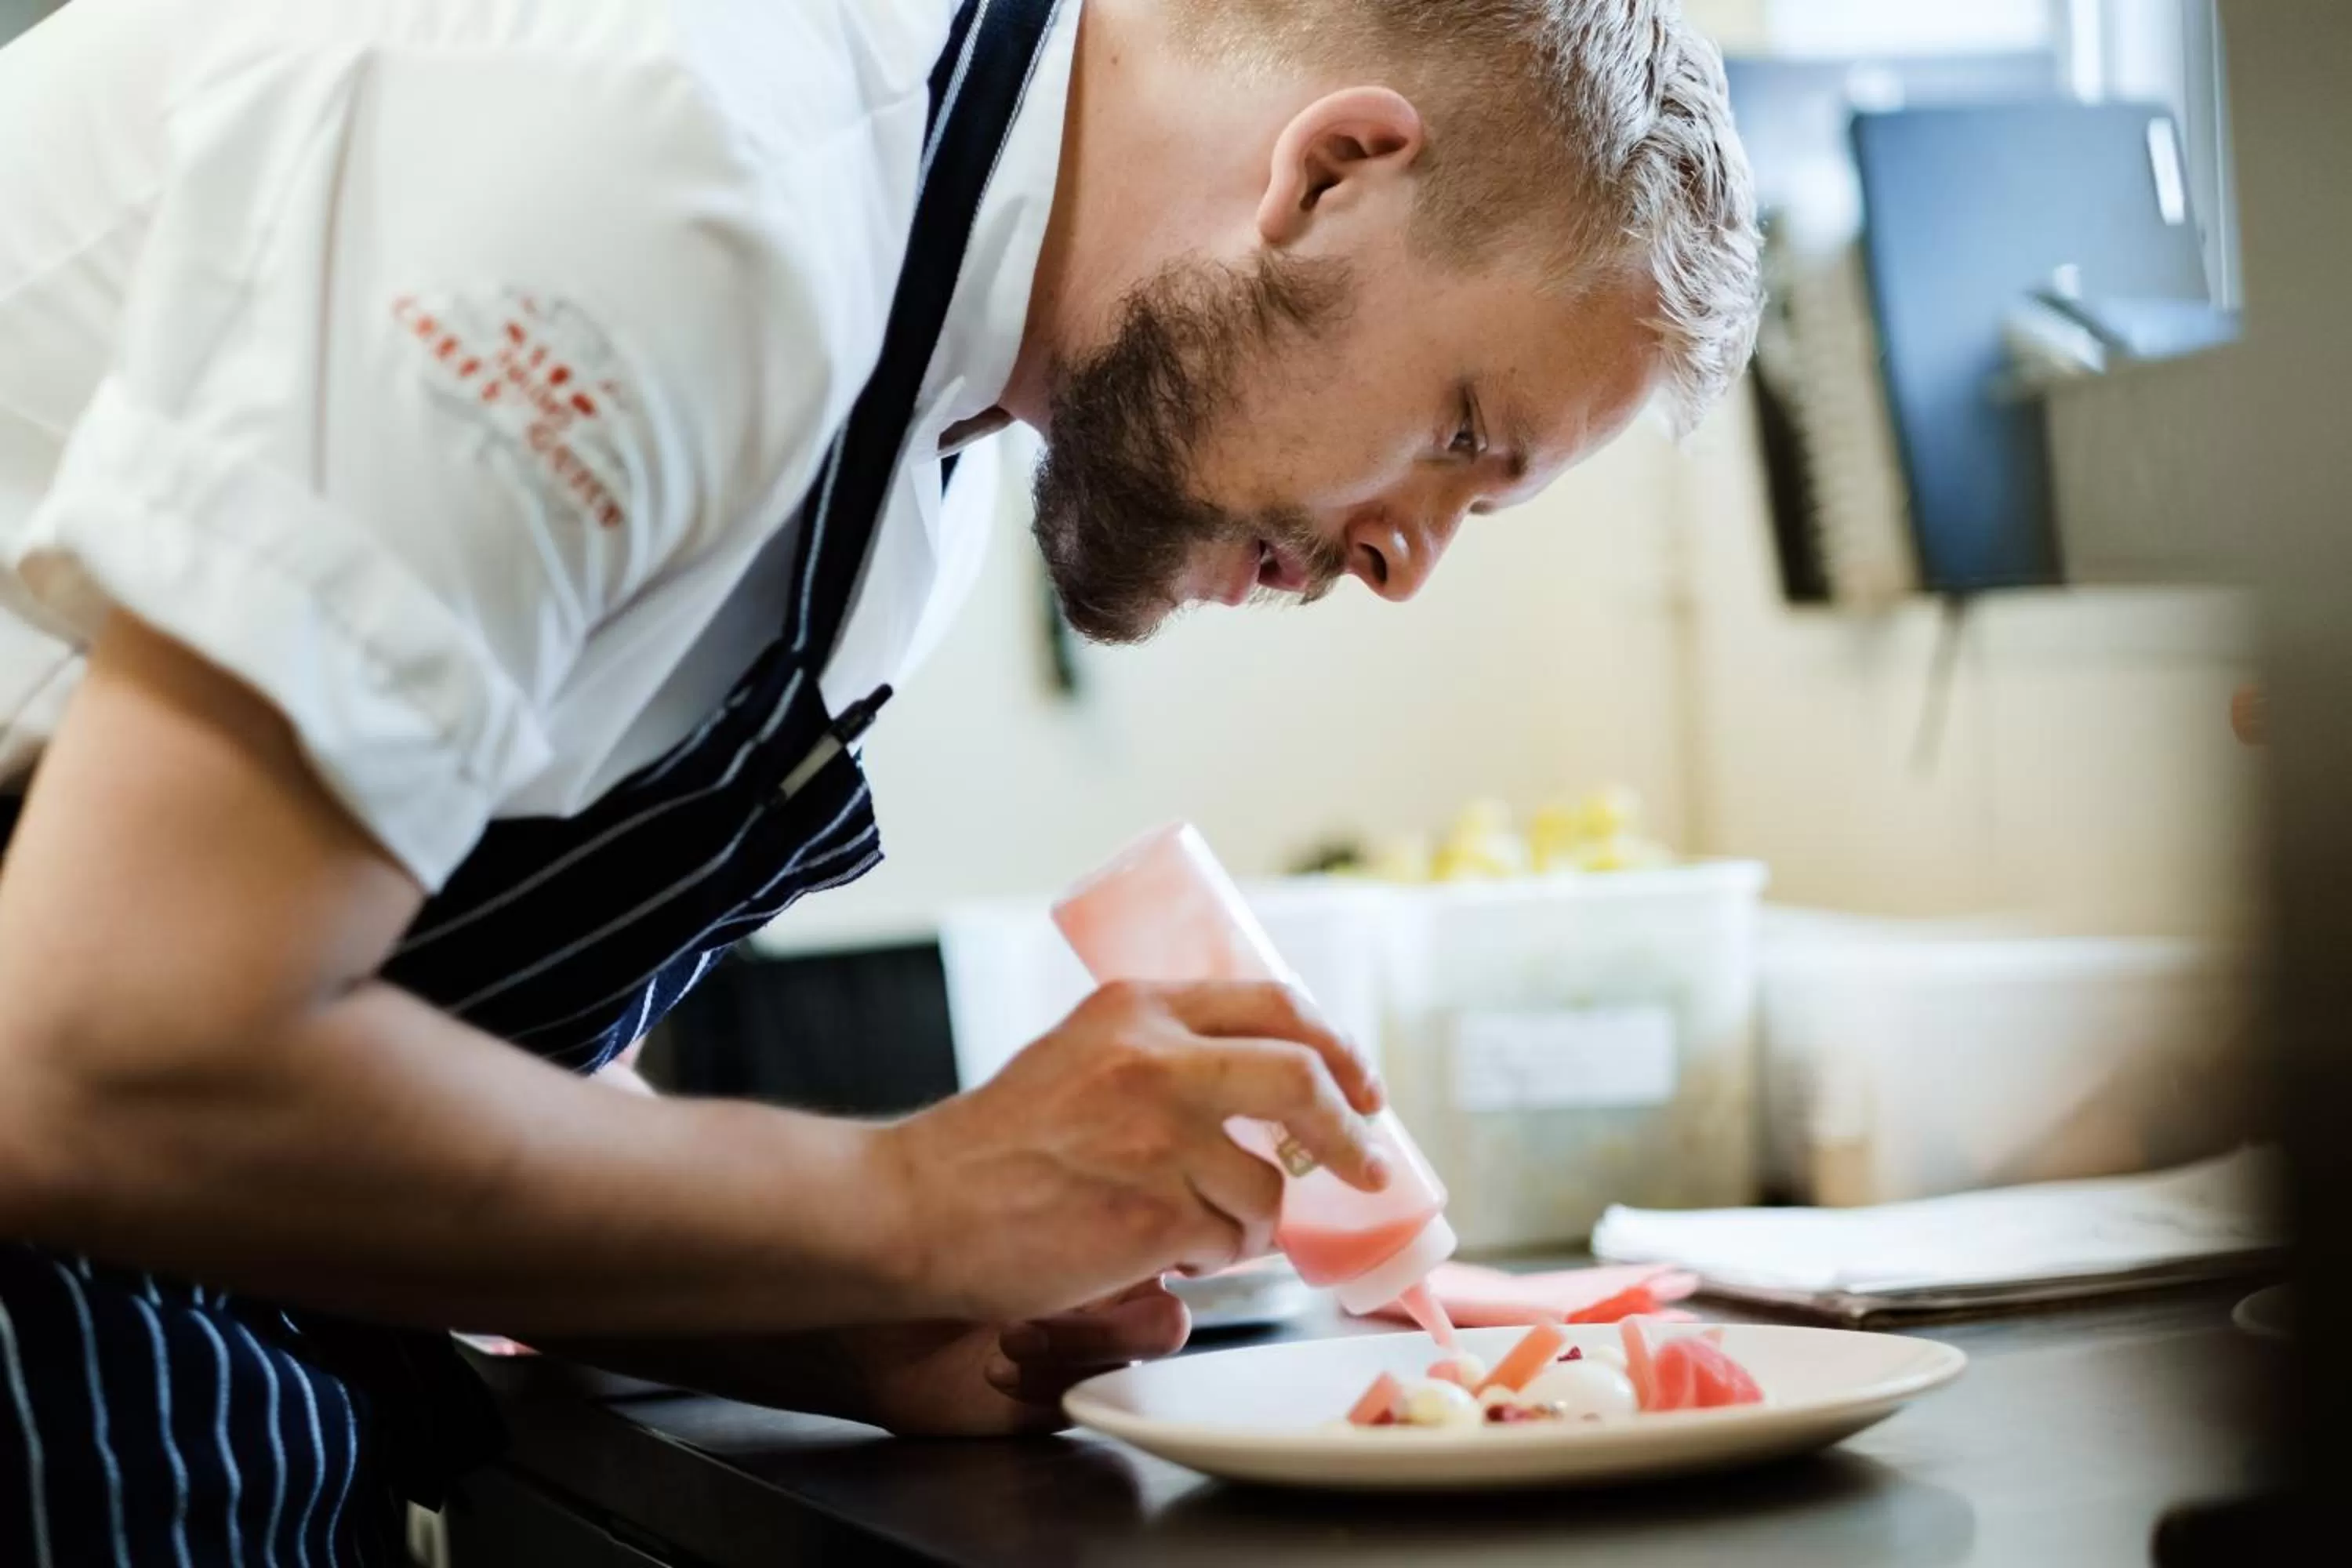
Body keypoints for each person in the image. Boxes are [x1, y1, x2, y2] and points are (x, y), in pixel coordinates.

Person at [0, 0, 1759, 1558]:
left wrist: (826, 1312)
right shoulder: (680, 156)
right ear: (1332, 173)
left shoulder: (928, 451)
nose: (1408, 568)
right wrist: (915, 1202)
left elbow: (391, 1067)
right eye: (1461, 436)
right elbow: (106, 1058)